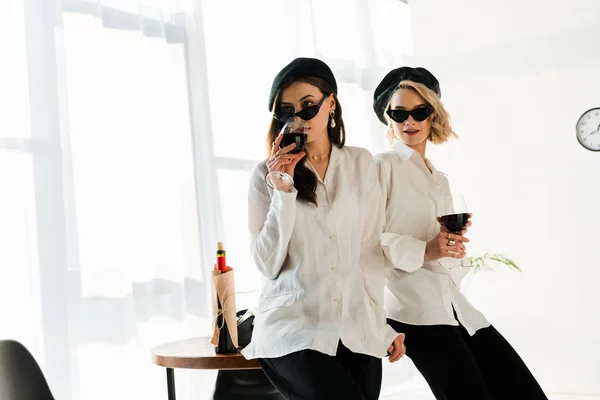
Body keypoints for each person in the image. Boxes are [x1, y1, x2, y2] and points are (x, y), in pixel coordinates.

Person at [372, 66, 548, 400]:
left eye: (419, 112)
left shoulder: (439, 179)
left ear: (431, 115)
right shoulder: (382, 166)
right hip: (412, 310)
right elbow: (367, 239)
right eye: (399, 113)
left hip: (451, 304)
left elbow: (437, 246)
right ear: (389, 119)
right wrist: (426, 250)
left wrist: (447, 242)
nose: (409, 121)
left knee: (523, 389)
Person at [241, 57, 405, 400]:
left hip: (355, 326)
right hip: (294, 330)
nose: (298, 119)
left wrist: (381, 325)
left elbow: (368, 253)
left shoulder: (360, 163)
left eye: (308, 106)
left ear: (331, 104)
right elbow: (267, 263)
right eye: (287, 111)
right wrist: (283, 188)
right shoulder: (264, 177)